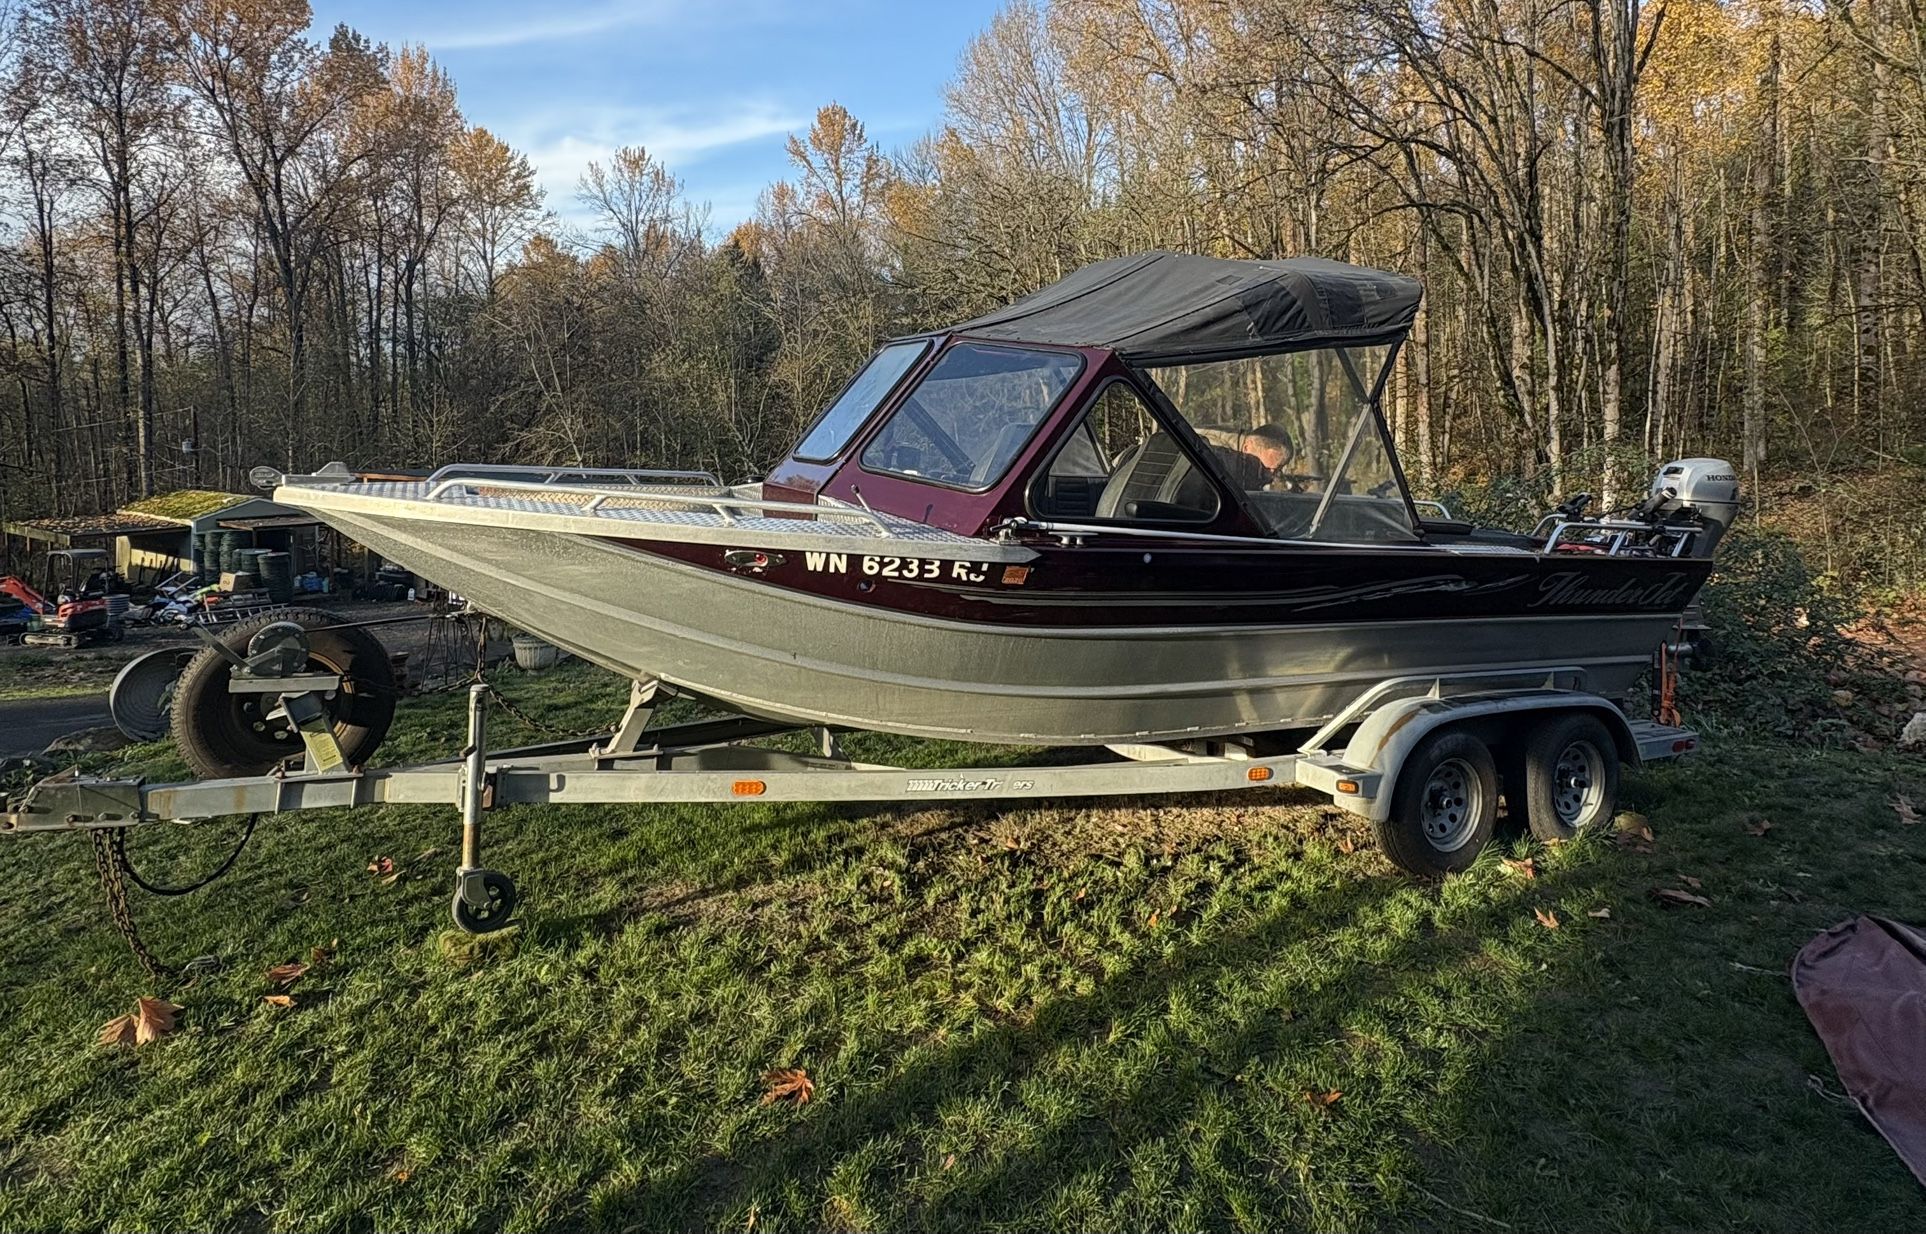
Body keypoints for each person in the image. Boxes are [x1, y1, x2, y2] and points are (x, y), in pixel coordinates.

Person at [1195, 423, 1295, 489]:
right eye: (1263, 468)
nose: (1269, 476)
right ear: (1247, 447)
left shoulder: (1237, 454)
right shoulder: (1217, 453)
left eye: (1276, 470)